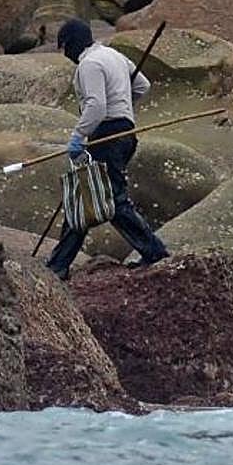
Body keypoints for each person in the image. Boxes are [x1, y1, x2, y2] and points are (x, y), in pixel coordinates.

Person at [45, 19, 170, 280]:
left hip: (106, 136)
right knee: (85, 196)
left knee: (110, 199)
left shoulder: (89, 64)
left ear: (72, 43)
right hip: (125, 134)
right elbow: (142, 85)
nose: (66, 54)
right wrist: (123, 107)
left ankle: (155, 252)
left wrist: (78, 135)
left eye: (64, 47)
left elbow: (96, 106)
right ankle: (58, 264)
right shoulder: (114, 55)